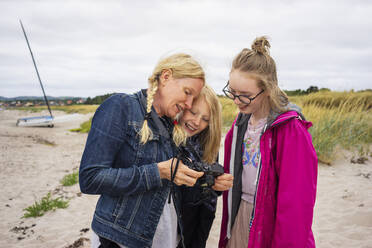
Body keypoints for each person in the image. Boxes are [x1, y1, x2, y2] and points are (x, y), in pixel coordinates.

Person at [79, 53, 206, 248]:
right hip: (120, 240)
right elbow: (90, 178)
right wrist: (159, 172)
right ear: (166, 77)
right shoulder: (121, 107)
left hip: (166, 238)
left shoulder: (173, 126)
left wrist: (208, 182)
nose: (189, 104)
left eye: (193, 97)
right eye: (187, 92)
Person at [218, 36, 318, 248]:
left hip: (272, 225)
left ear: (267, 89)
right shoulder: (239, 126)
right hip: (241, 217)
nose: (236, 101)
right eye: (232, 92)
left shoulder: (291, 131)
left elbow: (296, 205)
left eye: (245, 95)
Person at [177, 85, 233, 248]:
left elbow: (208, 194)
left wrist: (216, 185)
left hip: (197, 225)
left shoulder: (207, 143)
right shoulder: (165, 139)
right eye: (193, 112)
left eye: (205, 119)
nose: (196, 122)